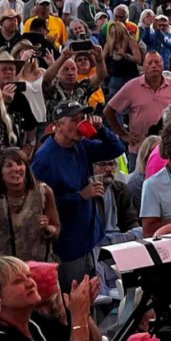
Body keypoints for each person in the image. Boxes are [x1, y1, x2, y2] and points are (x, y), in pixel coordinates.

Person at [29, 100, 126, 287]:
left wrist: (100, 129)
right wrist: (80, 195)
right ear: (57, 125)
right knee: (73, 299)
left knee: (90, 297)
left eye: (83, 119)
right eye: (74, 120)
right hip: (68, 246)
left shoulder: (81, 145)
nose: (81, 124)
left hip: (89, 238)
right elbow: (38, 204)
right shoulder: (45, 160)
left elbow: (117, 148)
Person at [104, 51, 171, 157]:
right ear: (144, 66)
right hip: (139, 151)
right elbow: (108, 111)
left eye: (157, 62)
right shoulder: (132, 86)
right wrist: (123, 135)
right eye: (150, 63)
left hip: (169, 150)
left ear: (163, 64)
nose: (154, 66)